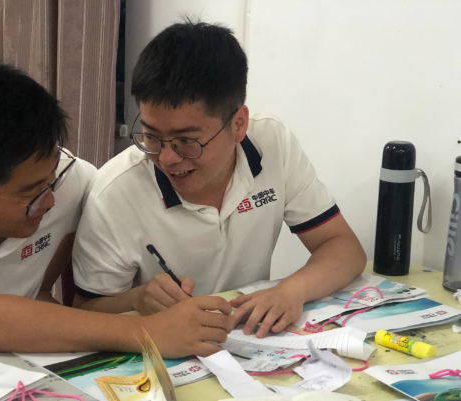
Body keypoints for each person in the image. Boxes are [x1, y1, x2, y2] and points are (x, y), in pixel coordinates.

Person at [0, 58, 232, 368]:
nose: (51, 201)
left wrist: (136, 301)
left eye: (53, 179)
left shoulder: (71, 181)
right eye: (30, 194)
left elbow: (36, 295)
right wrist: (148, 333)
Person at [72, 21, 367, 339]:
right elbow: (82, 311)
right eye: (151, 135)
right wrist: (137, 299)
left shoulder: (272, 144)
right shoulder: (114, 191)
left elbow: (344, 248)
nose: (167, 157)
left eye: (187, 141)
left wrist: (291, 290)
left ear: (238, 124)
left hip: (250, 341)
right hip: (164, 349)